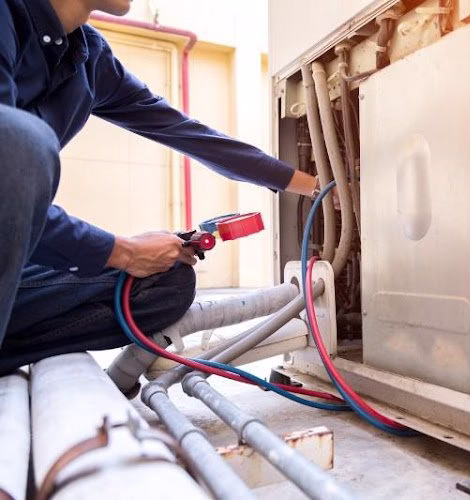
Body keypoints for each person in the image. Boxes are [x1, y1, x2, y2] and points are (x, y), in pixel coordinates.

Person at [0, 0, 319, 374]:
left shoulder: (89, 57)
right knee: (22, 140)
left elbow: (188, 134)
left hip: (16, 268)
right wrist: (121, 251)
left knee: (166, 281)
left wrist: (315, 185)